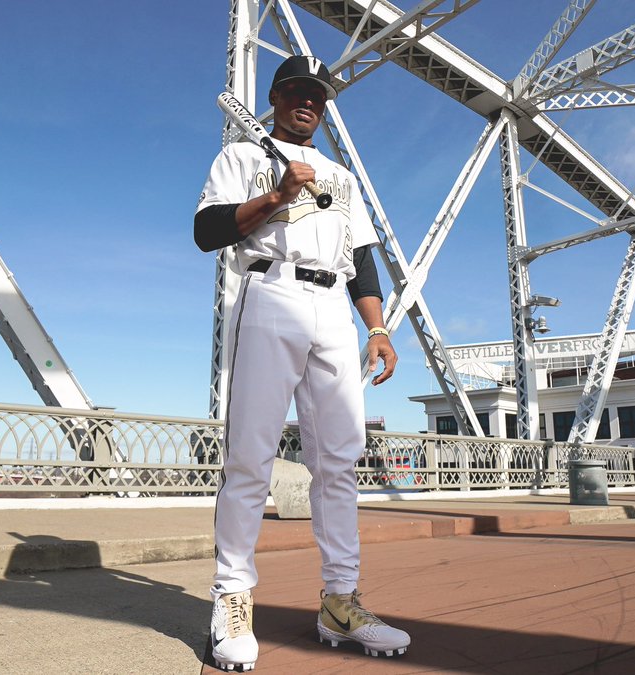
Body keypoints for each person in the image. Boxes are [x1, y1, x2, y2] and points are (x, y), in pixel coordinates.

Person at [193, 54, 408, 672]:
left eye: (318, 95)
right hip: (268, 295)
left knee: (339, 460)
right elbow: (208, 231)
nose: (308, 102)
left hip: (332, 310)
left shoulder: (341, 177)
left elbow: (363, 260)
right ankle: (232, 597)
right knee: (250, 456)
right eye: (297, 92)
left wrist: (378, 327)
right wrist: (277, 194)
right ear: (277, 96)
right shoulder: (239, 157)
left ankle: (340, 601)